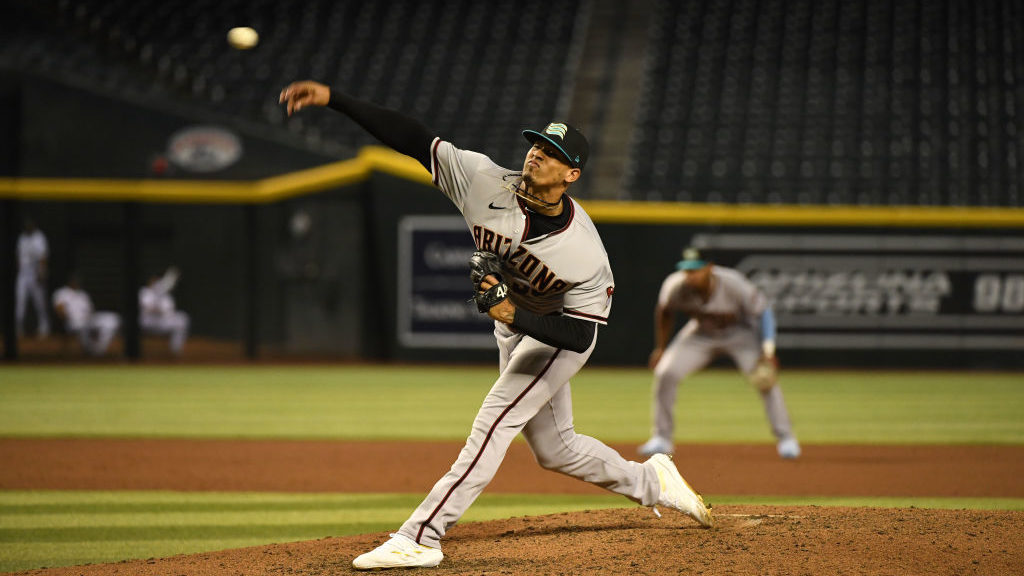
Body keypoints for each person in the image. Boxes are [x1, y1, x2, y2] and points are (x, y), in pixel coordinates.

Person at [279, 80, 713, 570]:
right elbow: (414, 139)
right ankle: (653, 481)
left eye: (552, 153)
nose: (537, 154)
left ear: (571, 174)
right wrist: (336, 99)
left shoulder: (584, 251)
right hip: (514, 327)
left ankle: (421, 535)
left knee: (494, 421)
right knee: (555, 449)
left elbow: (581, 336)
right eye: (536, 145)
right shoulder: (482, 179)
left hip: (557, 332)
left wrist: (513, 314)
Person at [638, 247, 801, 460]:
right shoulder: (675, 286)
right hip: (701, 334)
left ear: (710, 268)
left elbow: (764, 312)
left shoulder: (732, 283)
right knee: (665, 372)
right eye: (687, 270)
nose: (690, 275)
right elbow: (665, 312)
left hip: (740, 334)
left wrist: (767, 350)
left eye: (696, 269)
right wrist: (660, 348)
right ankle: (661, 437)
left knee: (765, 378)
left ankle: (786, 438)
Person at [52, 274, 121, 356]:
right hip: (73, 322)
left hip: (88, 320)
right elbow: (59, 310)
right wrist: (67, 320)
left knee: (113, 319)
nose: (76, 282)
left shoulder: (83, 294)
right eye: (74, 280)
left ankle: (99, 348)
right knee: (84, 328)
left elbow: (91, 310)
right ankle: (91, 351)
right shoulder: (62, 293)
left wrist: (89, 318)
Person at [139, 267, 189, 355]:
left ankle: (175, 351)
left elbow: (169, 312)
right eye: (154, 280)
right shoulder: (144, 292)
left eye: (158, 280)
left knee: (182, 318)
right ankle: (134, 352)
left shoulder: (166, 296)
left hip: (160, 323)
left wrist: (162, 308)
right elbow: (147, 309)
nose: (156, 282)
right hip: (145, 322)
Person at [16, 218, 50, 338]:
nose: (28, 227)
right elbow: (18, 256)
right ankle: (18, 328)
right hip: (23, 273)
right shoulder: (22, 237)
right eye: (26, 225)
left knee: (39, 302)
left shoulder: (39, 237)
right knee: (20, 301)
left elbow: (43, 257)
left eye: (30, 225)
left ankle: (44, 327)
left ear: (34, 225)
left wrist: (41, 273)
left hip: (35, 273)